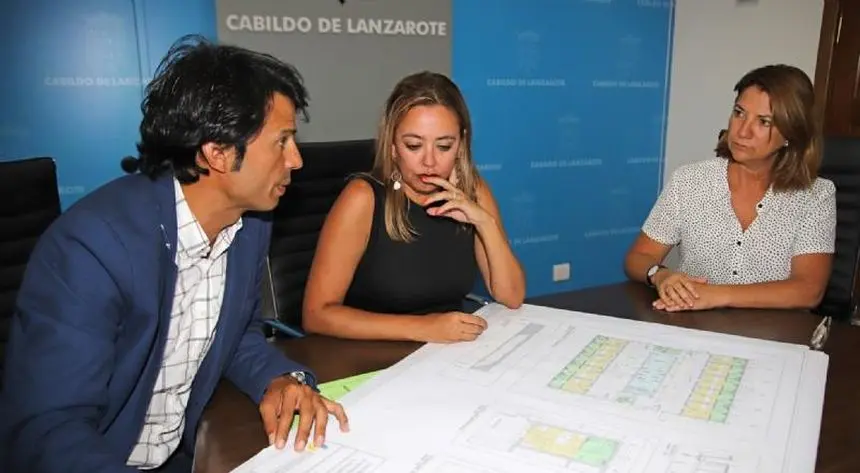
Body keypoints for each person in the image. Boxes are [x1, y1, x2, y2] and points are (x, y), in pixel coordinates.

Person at [0, 36, 348, 473]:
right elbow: (48, 431)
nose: (296, 160)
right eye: (282, 142)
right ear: (217, 152)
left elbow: (233, 333)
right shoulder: (92, 247)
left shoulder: (250, 221)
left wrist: (279, 379)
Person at [302, 71, 526, 343]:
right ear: (393, 145)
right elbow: (316, 315)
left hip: (445, 355)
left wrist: (484, 223)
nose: (429, 161)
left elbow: (512, 297)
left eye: (444, 146)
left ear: (461, 144)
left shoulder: (473, 190)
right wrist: (424, 328)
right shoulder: (363, 198)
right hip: (368, 354)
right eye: (413, 145)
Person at [624, 64, 836, 312]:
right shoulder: (690, 180)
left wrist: (714, 295)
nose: (743, 131)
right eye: (739, 113)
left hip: (775, 338)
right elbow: (637, 258)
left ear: (791, 133)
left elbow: (808, 290)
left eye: (764, 122)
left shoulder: (816, 195)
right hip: (694, 329)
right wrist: (659, 275)